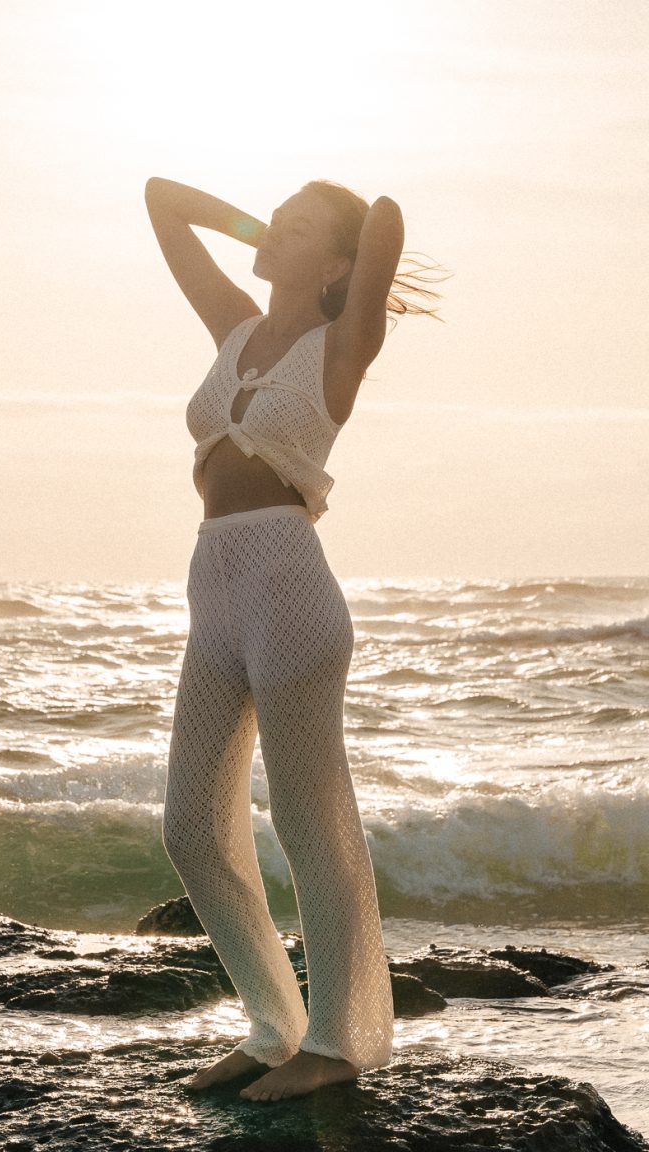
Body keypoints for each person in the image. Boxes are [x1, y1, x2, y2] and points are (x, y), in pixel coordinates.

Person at [145, 175, 444, 1102]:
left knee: (311, 820)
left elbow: (387, 217)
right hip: (214, 582)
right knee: (192, 828)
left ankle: (338, 1040)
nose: (273, 229)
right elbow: (160, 198)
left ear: (337, 264)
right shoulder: (234, 322)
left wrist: (347, 257)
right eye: (275, 217)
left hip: (290, 586)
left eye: (297, 225)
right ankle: (275, 1026)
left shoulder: (342, 345)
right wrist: (269, 230)